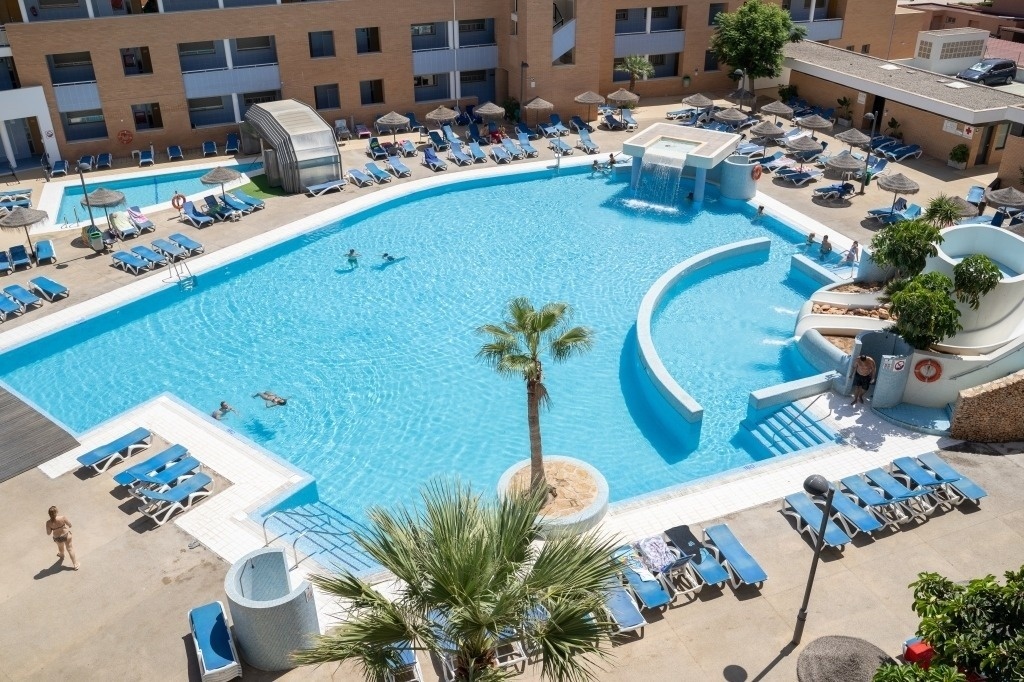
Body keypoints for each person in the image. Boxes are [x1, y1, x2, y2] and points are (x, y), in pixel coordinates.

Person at [46, 506, 78, 570]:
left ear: (49, 514)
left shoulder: (48, 523)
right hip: (66, 535)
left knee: (60, 547)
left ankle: (62, 555)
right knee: (70, 549)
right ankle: (75, 564)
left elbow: (48, 533)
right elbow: (70, 525)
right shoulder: (62, 517)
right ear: (56, 512)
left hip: (57, 537)